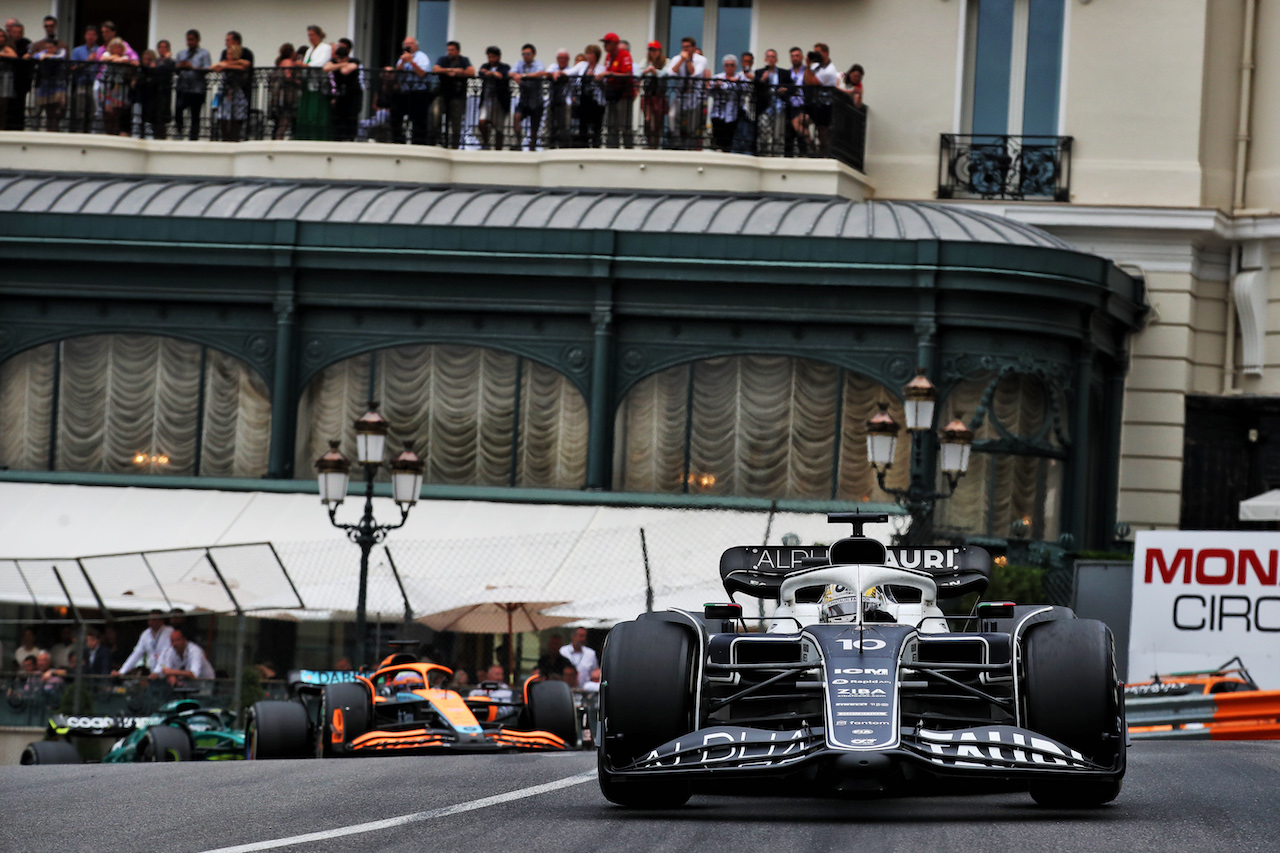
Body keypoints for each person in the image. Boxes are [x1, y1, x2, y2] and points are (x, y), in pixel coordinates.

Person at [664, 36, 708, 150]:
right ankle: (676, 139)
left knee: (692, 124)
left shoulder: (701, 60)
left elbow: (694, 73)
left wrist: (688, 60)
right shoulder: (677, 58)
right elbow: (670, 73)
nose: (685, 49)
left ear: (694, 48)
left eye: (688, 47)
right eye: (683, 47)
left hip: (694, 96)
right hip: (680, 95)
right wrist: (681, 60)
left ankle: (690, 144)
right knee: (672, 115)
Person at [387, 36, 431, 145]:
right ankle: (398, 139)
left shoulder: (422, 57)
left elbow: (422, 73)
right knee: (396, 115)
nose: (408, 46)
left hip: (419, 92)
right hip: (404, 93)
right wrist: (402, 62)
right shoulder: (402, 58)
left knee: (418, 120)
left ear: (415, 45)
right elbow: (397, 75)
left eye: (410, 43)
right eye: (406, 44)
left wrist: (412, 62)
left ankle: (418, 142)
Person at [432, 41, 474, 149]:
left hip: (457, 95)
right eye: (448, 50)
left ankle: (455, 145)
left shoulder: (464, 60)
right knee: (436, 114)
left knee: (456, 122)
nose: (449, 52)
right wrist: (450, 70)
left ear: (458, 51)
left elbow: (472, 72)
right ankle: (438, 139)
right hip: (442, 94)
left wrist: (460, 73)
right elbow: (435, 69)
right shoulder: (443, 59)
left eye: (452, 50)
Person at [29, 16, 68, 132]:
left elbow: (66, 63)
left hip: (57, 84)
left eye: (51, 26)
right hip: (41, 82)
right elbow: (33, 59)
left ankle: (52, 135)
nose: (49, 29)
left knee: (55, 113)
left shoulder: (62, 46)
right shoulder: (38, 45)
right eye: (46, 26)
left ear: (55, 27)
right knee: (37, 112)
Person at [212, 33, 253, 141]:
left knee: (237, 116)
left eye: (230, 54)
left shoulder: (243, 59)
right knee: (223, 116)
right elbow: (214, 67)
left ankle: (234, 138)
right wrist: (226, 64)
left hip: (238, 93)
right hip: (226, 93)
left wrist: (228, 65)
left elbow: (246, 65)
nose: (227, 55)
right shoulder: (225, 61)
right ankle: (226, 138)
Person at [295, 25, 332, 140]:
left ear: (319, 35)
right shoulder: (310, 50)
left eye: (312, 35)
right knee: (306, 110)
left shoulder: (325, 48)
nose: (310, 38)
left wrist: (305, 65)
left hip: (319, 83)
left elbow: (321, 63)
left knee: (316, 110)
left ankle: (317, 135)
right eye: (309, 35)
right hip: (308, 83)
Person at [778, 46, 816, 156]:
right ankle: (789, 157)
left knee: (800, 132)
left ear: (802, 57)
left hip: (803, 105)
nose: (795, 58)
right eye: (793, 56)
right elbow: (783, 89)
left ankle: (807, 149)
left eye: (797, 56)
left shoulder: (807, 71)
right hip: (790, 106)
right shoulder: (787, 73)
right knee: (788, 135)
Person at [174, 29, 210, 140]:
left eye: (192, 40)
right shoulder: (181, 53)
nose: (189, 42)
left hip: (197, 89)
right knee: (178, 109)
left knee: (195, 115)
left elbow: (207, 68)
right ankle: (179, 131)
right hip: (182, 88)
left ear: (198, 40)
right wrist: (180, 66)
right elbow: (176, 70)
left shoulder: (204, 53)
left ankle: (193, 138)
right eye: (188, 40)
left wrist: (192, 67)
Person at [599, 33, 634, 149]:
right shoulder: (608, 57)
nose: (605, 46)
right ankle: (612, 148)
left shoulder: (624, 55)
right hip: (612, 94)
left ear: (614, 44)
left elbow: (628, 74)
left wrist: (611, 74)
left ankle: (628, 150)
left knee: (624, 125)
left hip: (623, 94)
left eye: (607, 43)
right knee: (611, 124)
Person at [112, 609, 172, 676]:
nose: (151, 622)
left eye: (154, 620)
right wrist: (122, 671)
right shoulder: (146, 634)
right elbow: (136, 654)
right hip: (153, 673)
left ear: (161, 621)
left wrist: (157, 671)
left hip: (167, 674)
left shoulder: (169, 632)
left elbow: (165, 654)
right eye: (150, 619)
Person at [568, 44, 605, 148]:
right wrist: (558, 73)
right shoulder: (582, 65)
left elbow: (604, 86)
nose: (588, 56)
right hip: (583, 101)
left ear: (596, 56)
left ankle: (595, 147)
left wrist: (596, 78)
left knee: (596, 127)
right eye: (587, 53)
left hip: (596, 103)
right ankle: (584, 147)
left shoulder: (601, 68)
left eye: (590, 54)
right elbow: (570, 72)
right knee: (583, 126)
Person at [99, 37, 137, 136]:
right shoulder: (106, 54)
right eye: (115, 47)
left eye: (119, 48)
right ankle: (108, 131)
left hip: (118, 86)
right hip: (107, 86)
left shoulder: (125, 57)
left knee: (116, 111)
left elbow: (124, 60)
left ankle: (115, 131)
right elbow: (103, 58)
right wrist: (114, 57)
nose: (117, 50)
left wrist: (116, 58)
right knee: (107, 111)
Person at [510, 43, 544, 151]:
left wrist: (523, 76)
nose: (525, 56)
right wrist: (515, 76)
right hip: (524, 99)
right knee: (516, 118)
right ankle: (518, 142)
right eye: (523, 54)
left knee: (534, 127)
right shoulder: (520, 64)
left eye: (528, 54)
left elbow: (539, 73)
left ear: (533, 54)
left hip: (536, 99)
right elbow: (511, 72)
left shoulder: (538, 63)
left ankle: (532, 148)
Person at [325, 42, 362, 142]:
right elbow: (326, 68)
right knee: (338, 117)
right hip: (340, 94)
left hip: (353, 94)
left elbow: (345, 71)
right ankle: (338, 138)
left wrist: (338, 65)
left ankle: (350, 138)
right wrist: (343, 64)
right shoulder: (337, 61)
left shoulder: (354, 61)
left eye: (342, 58)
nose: (339, 60)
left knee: (351, 117)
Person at [709, 54, 746, 152]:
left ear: (735, 66)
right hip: (718, 112)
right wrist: (716, 85)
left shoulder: (740, 78)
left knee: (729, 138)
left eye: (732, 65)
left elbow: (746, 91)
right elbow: (708, 91)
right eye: (727, 65)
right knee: (718, 135)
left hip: (733, 113)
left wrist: (737, 83)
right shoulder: (717, 77)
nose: (729, 67)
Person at [476, 46, 510, 150]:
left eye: (493, 57)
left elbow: (504, 75)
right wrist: (492, 74)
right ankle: (485, 143)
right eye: (489, 57)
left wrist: (491, 73)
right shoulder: (485, 66)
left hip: (499, 100)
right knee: (482, 122)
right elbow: (481, 73)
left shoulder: (505, 67)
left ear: (498, 57)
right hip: (486, 99)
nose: (491, 59)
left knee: (498, 126)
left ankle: (498, 149)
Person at [68, 24, 100, 133]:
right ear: (85, 36)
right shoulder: (77, 50)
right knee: (80, 111)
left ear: (96, 37)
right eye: (88, 34)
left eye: (93, 35)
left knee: (93, 111)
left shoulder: (100, 51)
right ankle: (79, 132)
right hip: (81, 83)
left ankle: (91, 132)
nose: (91, 37)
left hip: (95, 84)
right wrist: (87, 62)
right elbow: (72, 67)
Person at [809, 47, 839, 155]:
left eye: (818, 52)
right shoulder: (816, 66)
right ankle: (812, 146)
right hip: (815, 103)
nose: (816, 54)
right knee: (802, 121)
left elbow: (810, 81)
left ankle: (824, 153)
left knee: (822, 131)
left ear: (826, 53)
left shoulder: (829, 70)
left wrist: (808, 67)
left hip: (825, 104)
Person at [638, 41, 667, 150]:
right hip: (648, 94)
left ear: (659, 51)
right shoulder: (646, 62)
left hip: (659, 94)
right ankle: (648, 142)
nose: (652, 53)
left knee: (658, 120)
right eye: (650, 50)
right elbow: (637, 73)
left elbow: (667, 73)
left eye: (654, 50)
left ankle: (656, 143)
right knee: (648, 119)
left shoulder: (665, 62)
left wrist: (655, 72)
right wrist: (646, 70)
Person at [268, 42, 300, 139]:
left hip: (279, 96)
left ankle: (277, 139)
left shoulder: (280, 62)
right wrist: (297, 81)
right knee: (284, 122)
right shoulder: (288, 62)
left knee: (282, 122)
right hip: (286, 95)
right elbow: (288, 76)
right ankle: (278, 140)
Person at [4, 18, 31, 130]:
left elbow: (31, 53)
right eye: (15, 32)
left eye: (19, 32)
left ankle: (18, 127)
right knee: (7, 104)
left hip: (22, 79)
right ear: (10, 32)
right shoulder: (6, 43)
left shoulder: (26, 43)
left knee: (20, 105)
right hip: (7, 78)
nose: (17, 34)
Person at [544, 48, 572, 148]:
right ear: (557, 59)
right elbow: (546, 74)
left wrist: (559, 73)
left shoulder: (570, 69)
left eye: (564, 58)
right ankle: (551, 144)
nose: (562, 60)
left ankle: (563, 145)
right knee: (551, 124)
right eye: (560, 58)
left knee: (563, 125)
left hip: (565, 102)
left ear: (568, 59)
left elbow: (569, 75)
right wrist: (554, 73)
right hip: (552, 100)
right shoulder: (553, 66)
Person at [556, 628, 599, 692]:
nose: (583, 639)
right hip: (566, 690)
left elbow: (595, 672)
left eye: (585, 636)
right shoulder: (563, 651)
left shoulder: (590, 653)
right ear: (573, 636)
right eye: (581, 636)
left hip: (584, 690)